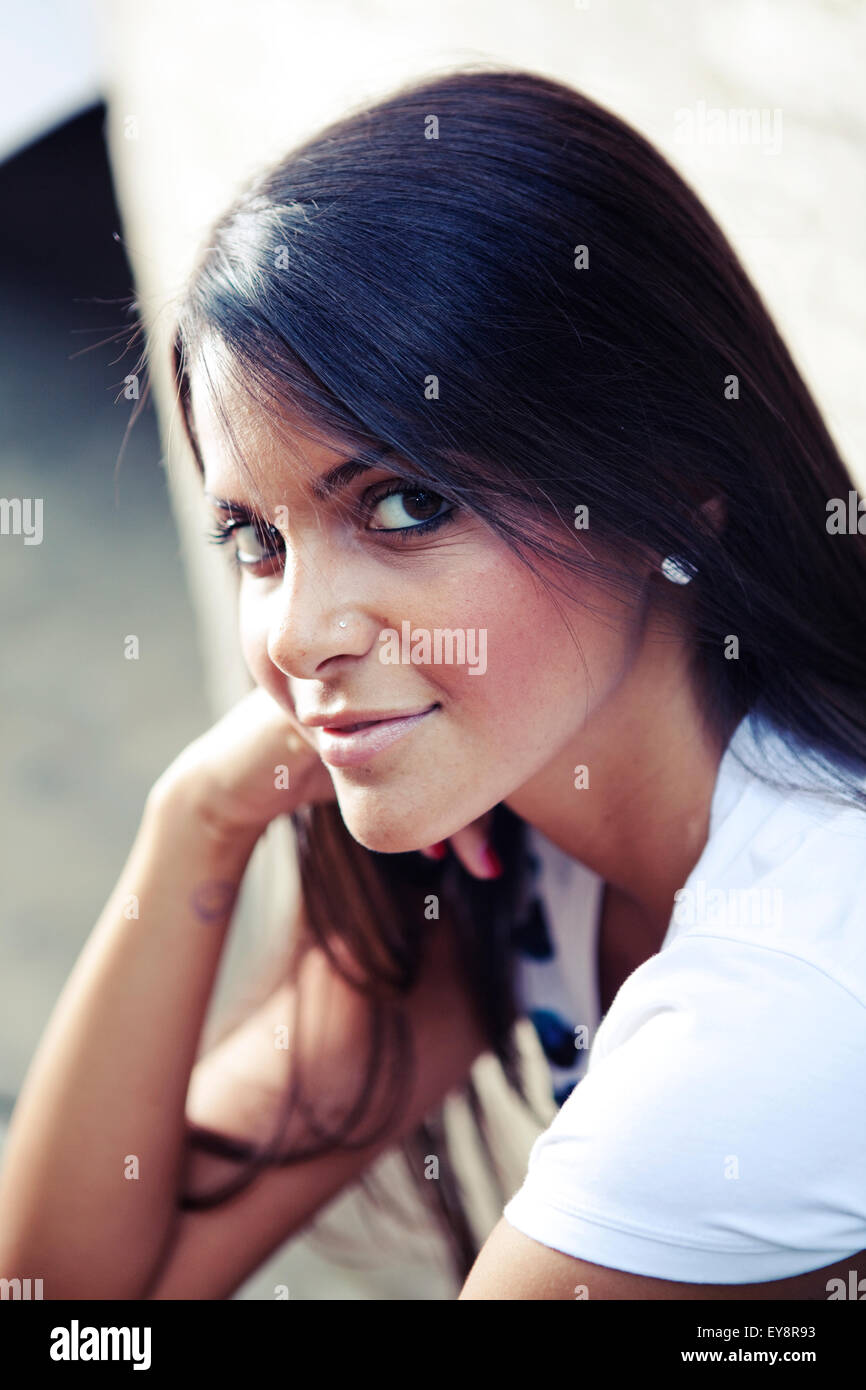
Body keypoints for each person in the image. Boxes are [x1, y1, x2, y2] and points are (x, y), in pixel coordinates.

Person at [2, 65, 866, 1301]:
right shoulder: (505, 826)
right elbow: (71, 1305)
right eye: (255, 539)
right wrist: (195, 818)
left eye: (406, 504)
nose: (297, 633)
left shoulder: (777, 1008)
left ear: (670, 485)